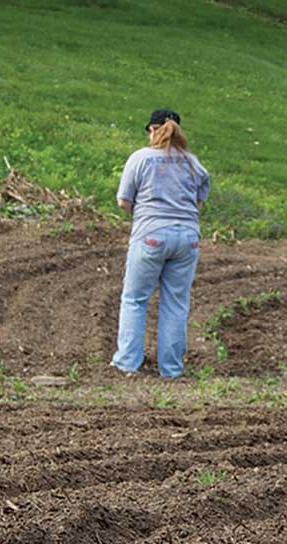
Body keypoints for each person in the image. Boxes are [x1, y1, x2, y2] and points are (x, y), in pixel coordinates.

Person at [111, 109, 211, 378]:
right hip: (188, 238)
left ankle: (127, 363)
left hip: (151, 235)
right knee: (176, 304)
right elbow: (199, 201)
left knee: (135, 299)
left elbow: (123, 201)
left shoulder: (141, 158)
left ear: (153, 130)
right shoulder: (192, 163)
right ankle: (171, 369)